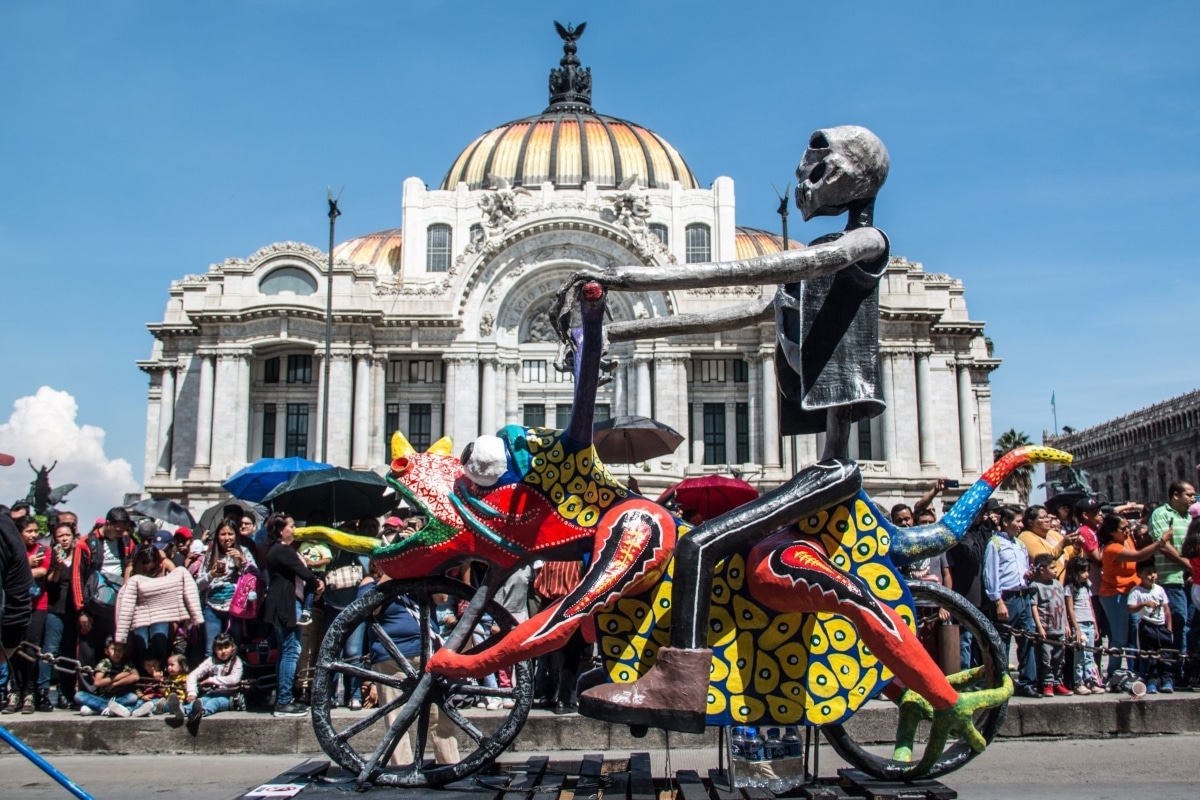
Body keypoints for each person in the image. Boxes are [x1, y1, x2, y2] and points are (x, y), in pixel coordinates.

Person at [366, 576, 459, 768]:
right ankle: (401, 768)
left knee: (440, 715)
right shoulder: (370, 584)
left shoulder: (419, 580)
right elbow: (370, 608)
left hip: (427, 652)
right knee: (396, 718)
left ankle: (449, 764)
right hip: (391, 657)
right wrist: (391, 574)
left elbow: (441, 598)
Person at [261, 513, 322, 717]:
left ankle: (284, 697)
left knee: (286, 649)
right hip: (286, 603)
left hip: (284, 602)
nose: (295, 529)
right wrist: (316, 583)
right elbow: (304, 574)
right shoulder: (282, 550)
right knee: (291, 649)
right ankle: (284, 700)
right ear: (281, 530)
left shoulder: (280, 550)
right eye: (292, 526)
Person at [72, 507, 137, 680]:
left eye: (124, 529)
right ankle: (87, 691)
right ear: (108, 523)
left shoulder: (127, 541)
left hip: (117, 605)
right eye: (118, 529)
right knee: (88, 650)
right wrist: (81, 610)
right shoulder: (85, 544)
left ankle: (110, 689)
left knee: (115, 648)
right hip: (93, 605)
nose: (121, 533)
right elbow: (77, 577)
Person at [114, 544, 204, 663]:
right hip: (139, 615)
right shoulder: (131, 570)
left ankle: (159, 671)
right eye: (144, 569)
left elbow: (178, 584)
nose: (148, 572)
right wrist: (121, 634)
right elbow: (125, 599)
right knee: (141, 645)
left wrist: (177, 619)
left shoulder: (165, 564)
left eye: (151, 569)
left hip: (162, 614)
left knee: (160, 642)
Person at [1098, 513, 1161, 679]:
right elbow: (1140, 556)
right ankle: (1113, 673)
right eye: (1123, 528)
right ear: (1112, 532)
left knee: (1136, 633)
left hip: (1132, 592)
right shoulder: (1112, 548)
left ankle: (1138, 671)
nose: (1127, 531)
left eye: (1128, 527)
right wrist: (1160, 543)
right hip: (1114, 595)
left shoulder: (1127, 540)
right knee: (1119, 637)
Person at [983, 506, 1038, 696]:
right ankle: (1002, 682)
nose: (1021, 525)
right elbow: (990, 574)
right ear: (1006, 522)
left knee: (1027, 639)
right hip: (1007, 598)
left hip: (1023, 595)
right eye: (1018, 521)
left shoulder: (1020, 545)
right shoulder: (994, 544)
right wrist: (997, 601)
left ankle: (1027, 681)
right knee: (1003, 641)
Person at [1147, 481, 1194, 686]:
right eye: (1190, 495)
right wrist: (1188, 565)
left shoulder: (1191, 517)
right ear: (1176, 495)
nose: (1193, 499)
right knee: (1178, 624)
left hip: (1193, 581)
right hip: (1171, 580)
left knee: (1191, 626)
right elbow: (1162, 546)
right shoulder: (1161, 514)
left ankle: (1188, 671)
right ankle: (1172, 672)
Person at [2, 517, 50, 714]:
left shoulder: (41, 550)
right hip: (13, 611)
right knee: (13, 656)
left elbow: (43, 572)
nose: (33, 534)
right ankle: (13, 691)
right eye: (28, 531)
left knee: (30, 654)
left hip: (35, 607)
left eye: (35, 531)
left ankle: (28, 693)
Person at [195, 519, 258, 657]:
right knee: (211, 649)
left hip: (235, 608)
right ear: (217, 536)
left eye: (230, 534)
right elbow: (198, 583)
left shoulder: (244, 551)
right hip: (212, 607)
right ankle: (212, 677)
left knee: (234, 646)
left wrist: (243, 562)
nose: (227, 538)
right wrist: (211, 575)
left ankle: (233, 676)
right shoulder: (209, 555)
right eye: (223, 534)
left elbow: (255, 576)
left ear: (236, 535)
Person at [42, 521, 80, 708]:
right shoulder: (52, 556)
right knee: (50, 651)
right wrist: (57, 565)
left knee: (69, 653)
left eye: (67, 535)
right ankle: (42, 692)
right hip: (55, 610)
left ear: (73, 537)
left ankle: (66, 692)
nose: (64, 539)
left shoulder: (80, 556)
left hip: (73, 612)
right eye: (60, 536)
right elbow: (51, 582)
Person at [1128, 561, 1173, 693]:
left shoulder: (1159, 589)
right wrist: (1143, 604)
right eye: (1148, 573)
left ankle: (1167, 680)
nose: (1152, 575)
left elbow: (1166, 609)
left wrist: (1169, 628)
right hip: (1147, 626)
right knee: (1149, 656)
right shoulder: (1136, 591)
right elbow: (1130, 609)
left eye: (1153, 572)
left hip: (1161, 626)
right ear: (1139, 575)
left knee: (1165, 654)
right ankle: (1152, 681)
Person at [1029, 554, 1070, 697]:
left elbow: (1063, 605)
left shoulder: (1058, 584)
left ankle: (1058, 682)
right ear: (1042, 570)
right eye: (1052, 568)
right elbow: (1034, 606)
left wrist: (1066, 624)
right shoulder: (1035, 586)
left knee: (1059, 658)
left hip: (1059, 628)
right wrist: (1039, 626)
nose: (1056, 570)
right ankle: (1047, 683)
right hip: (1046, 628)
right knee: (1046, 659)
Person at [185, 632, 245, 729]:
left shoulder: (236, 661)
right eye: (219, 648)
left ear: (233, 647)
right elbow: (193, 675)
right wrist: (192, 692)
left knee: (215, 702)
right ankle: (183, 710)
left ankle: (203, 711)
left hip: (228, 696)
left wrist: (212, 680)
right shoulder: (211, 661)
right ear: (214, 649)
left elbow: (234, 679)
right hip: (212, 693)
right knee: (201, 700)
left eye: (226, 647)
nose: (223, 651)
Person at [1064, 556, 1103, 694]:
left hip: (1089, 623)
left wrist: (1095, 624)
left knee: (1090, 655)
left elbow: (1091, 607)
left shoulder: (1087, 586)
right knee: (1079, 655)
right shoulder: (1069, 588)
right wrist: (1077, 629)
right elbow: (1070, 609)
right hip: (1079, 623)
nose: (1087, 574)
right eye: (1083, 572)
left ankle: (1091, 681)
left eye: (1087, 571)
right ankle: (1078, 682)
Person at [73, 637, 139, 716]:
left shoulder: (127, 663)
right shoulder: (105, 662)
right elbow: (97, 683)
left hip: (119, 698)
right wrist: (120, 675)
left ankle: (99, 710)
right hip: (103, 698)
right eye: (113, 649)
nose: (117, 653)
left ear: (124, 652)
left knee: (132, 697)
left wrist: (114, 684)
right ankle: (108, 708)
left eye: (120, 650)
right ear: (106, 651)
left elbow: (135, 676)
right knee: (79, 696)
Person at [1018, 505, 1077, 582]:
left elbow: (1072, 556)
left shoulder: (1053, 533)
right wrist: (1062, 544)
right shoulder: (1025, 537)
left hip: (1067, 585)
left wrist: (1077, 548)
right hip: (1047, 587)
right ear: (1030, 522)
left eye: (1047, 517)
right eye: (1042, 518)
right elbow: (1044, 560)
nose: (1047, 520)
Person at [296, 535, 332, 626]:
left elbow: (327, 559)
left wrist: (314, 563)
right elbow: (298, 555)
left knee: (310, 589)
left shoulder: (322, 546)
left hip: (316, 572)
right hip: (304, 571)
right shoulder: (304, 544)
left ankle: (307, 612)